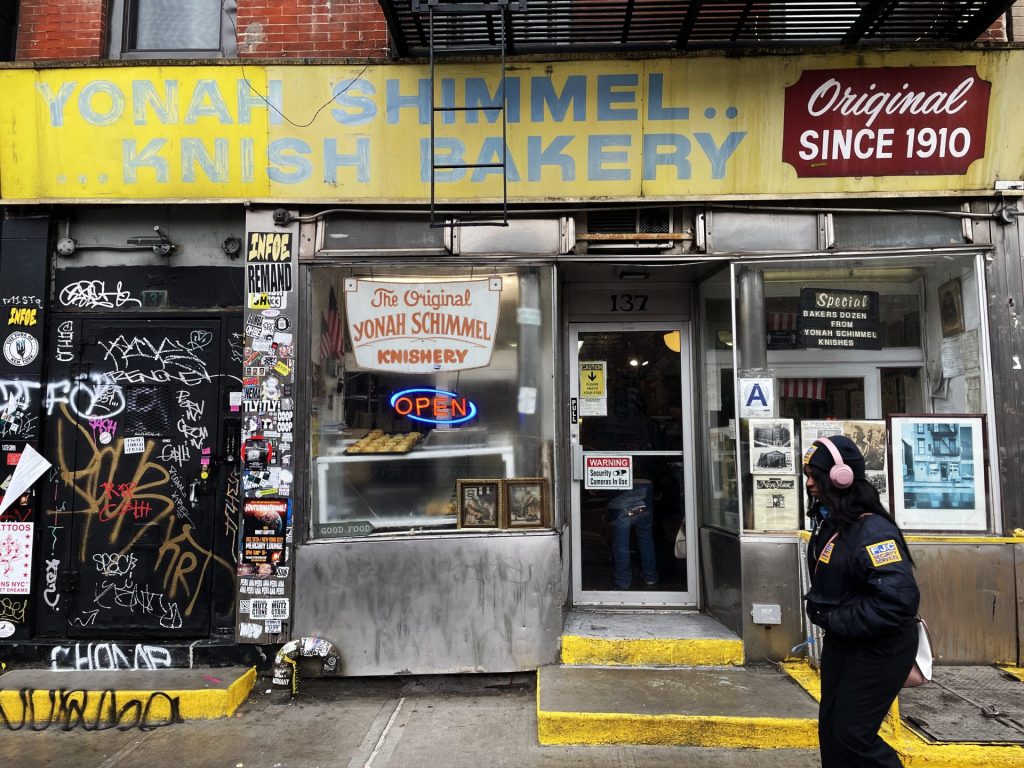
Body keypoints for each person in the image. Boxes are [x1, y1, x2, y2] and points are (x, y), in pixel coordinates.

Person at [802, 435, 920, 768]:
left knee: (853, 736)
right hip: (846, 641)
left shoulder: (873, 532)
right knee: (833, 732)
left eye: (815, 475)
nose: (809, 483)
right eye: (807, 475)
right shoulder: (833, 523)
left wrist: (835, 618)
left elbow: (898, 601)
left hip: (879, 648)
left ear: (840, 476)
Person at [606, 478, 657, 589]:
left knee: (621, 538)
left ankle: (623, 580)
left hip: (621, 485)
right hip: (644, 485)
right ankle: (650, 576)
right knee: (645, 535)